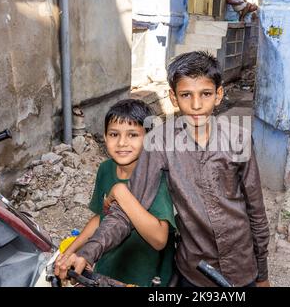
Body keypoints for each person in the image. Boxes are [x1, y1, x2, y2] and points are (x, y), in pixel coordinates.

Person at [56, 51, 270, 287]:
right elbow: (127, 211)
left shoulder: (238, 139)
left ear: (218, 95)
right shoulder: (159, 143)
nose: (196, 105)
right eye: (186, 95)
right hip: (194, 270)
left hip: (242, 267)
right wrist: (88, 253)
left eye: (205, 94)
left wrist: (262, 275)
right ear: (173, 97)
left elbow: (256, 212)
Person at [54, 99, 176, 287]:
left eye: (133, 135)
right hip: (107, 269)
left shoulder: (156, 178)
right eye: (114, 134)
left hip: (144, 276)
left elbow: (160, 239)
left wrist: (121, 193)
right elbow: (100, 218)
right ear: (104, 136)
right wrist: (70, 252)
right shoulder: (106, 169)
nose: (122, 143)